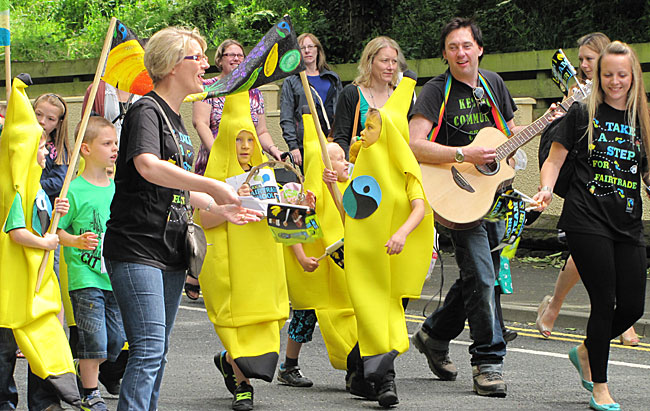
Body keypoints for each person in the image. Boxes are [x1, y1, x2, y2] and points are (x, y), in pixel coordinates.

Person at [102, 27, 260, 411]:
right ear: (173, 65)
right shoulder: (146, 110)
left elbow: (174, 189)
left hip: (171, 249)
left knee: (157, 352)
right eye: (198, 57)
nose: (206, 64)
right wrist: (214, 184)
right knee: (149, 349)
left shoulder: (175, 120)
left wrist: (218, 206)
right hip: (137, 247)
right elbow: (148, 166)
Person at [532, 41, 649, 411]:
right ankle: (600, 387)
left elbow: (645, 170)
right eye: (608, 74)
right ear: (599, 76)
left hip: (627, 221)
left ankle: (586, 349)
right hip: (586, 218)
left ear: (633, 78)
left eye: (622, 75)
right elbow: (553, 161)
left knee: (631, 308)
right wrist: (546, 188)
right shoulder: (583, 114)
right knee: (605, 301)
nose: (615, 81)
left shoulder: (642, 119)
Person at [408, 17, 520, 397]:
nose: (461, 53)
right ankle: (488, 363)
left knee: (477, 276)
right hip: (453, 196)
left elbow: (507, 134)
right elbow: (415, 144)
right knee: (484, 277)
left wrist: (551, 122)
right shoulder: (435, 91)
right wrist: (463, 153)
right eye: (453, 47)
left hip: (490, 196)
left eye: (467, 45)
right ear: (445, 54)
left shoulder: (494, 85)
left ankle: (433, 335)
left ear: (479, 48)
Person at [332, 69, 433, 407]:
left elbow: (419, 207)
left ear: (387, 132)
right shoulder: (360, 173)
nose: (363, 132)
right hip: (364, 262)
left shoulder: (407, 173)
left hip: (394, 262)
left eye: (370, 127)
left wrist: (401, 233)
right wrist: (334, 184)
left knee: (388, 315)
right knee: (371, 314)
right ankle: (382, 380)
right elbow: (349, 213)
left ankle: (369, 375)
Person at [197, 90, 288, 411]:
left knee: (263, 325)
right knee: (237, 327)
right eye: (239, 140)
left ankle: (228, 362)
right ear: (225, 142)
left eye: (251, 140)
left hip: (262, 269)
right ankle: (243, 386)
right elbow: (204, 220)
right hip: (230, 270)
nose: (246, 146)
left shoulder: (267, 176)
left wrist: (300, 208)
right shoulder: (213, 180)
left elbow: (282, 221)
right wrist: (231, 195)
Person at [0, 76, 83, 410]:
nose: (44, 153)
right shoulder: (15, 191)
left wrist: (57, 215)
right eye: (37, 148)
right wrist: (46, 243)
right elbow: (17, 232)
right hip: (15, 283)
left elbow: (45, 224)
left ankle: (47, 400)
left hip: (39, 280)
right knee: (7, 346)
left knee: (45, 337)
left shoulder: (36, 189)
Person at [187, 38, 283, 300]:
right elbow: (201, 123)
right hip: (215, 159)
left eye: (241, 56)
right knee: (210, 215)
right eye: (230, 55)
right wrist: (219, 152)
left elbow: (261, 130)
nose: (236, 59)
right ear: (219, 59)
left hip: (249, 160)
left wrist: (274, 152)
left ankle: (246, 277)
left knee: (248, 212)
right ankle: (197, 270)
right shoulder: (210, 86)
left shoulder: (255, 91)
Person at [57, 117, 125, 411]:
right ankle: (89, 393)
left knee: (115, 341)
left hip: (115, 276)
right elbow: (56, 232)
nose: (114, 149)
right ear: (85, 149)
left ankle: (79, 364)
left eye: (115, 144)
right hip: (85, 277)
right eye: (107, 143)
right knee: (94, 339)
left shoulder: (118, 188)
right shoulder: (73, 190)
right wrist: (76, 241)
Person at [331, 36, 407, 157]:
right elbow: (341, 139)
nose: (391, 67)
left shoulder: (402, 95)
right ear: (369, 62)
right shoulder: (351, 94)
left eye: (394, 61)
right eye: (385, 61)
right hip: (362, 170)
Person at [280, 33, 342, 167]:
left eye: (310, 46)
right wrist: (293, 147)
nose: (307, 51)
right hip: (306, 143)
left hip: (333, 140)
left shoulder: (332, 78)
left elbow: (341, 111)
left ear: (318, 50)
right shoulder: (291, 81)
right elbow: (286, 116)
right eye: (302, 48)